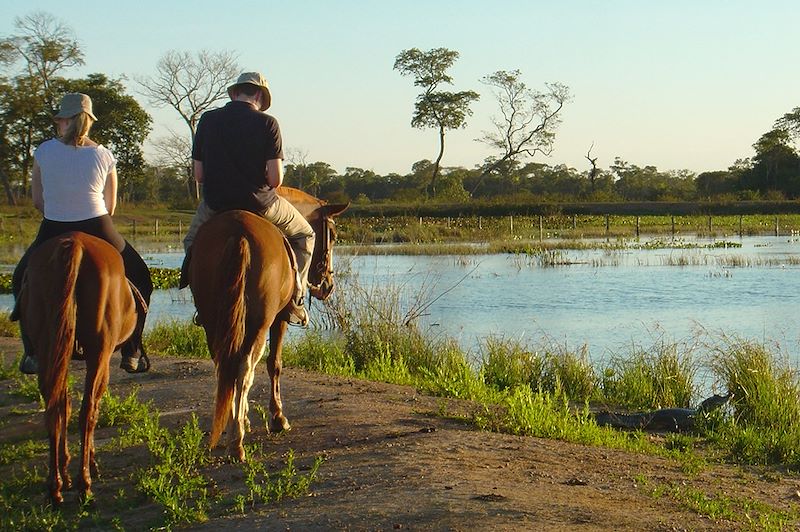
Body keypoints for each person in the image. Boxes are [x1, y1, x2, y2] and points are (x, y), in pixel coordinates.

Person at [12, 93, 153, 374]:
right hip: (98, 227)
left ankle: (32, 351)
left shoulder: (42, 152)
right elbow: (110, 206)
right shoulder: (104, 155)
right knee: (141, 277)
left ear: (64, 121)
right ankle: (132, 349)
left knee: (20, 278)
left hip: (53, 227)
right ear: (88, 122)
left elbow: (38, 202)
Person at [181, 72, 315, 326]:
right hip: (261, 204)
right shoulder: (268, 123)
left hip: (216, 205)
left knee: (191, 241)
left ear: (234, 93)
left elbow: (199, 175)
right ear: (258, 95)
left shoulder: (207, 121)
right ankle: (296, 298)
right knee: (305, 235)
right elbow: (275, 180)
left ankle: (202, 302)